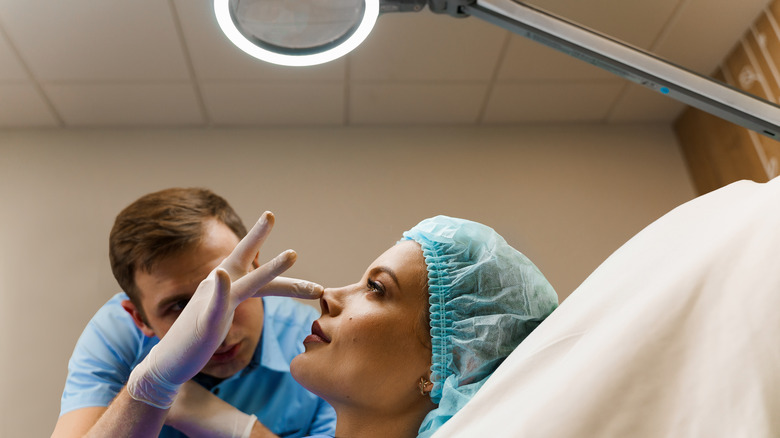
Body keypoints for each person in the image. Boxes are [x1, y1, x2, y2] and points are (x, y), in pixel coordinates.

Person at [122, 213, 558, 437]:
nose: (327, 295)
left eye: (377, 288)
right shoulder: (115, 338)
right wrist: (150, 386)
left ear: (451, 365)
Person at [51, 188, 336, 438]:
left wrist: (239, 430)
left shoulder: (312, 337)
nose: (218, 328)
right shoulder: (116, 335)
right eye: (179, 306)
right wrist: (151, 387)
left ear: (254, 268)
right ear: (140, 318)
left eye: (230, 287)